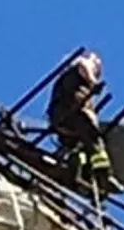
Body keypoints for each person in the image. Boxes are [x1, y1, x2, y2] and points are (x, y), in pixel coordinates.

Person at [47, 50, 119, 197]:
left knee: (79, 149)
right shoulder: (80, 65)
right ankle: (104, 175)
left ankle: (78, 173)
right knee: (94, 142)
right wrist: (94, 83)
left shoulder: (68, 80)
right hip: (74, 113)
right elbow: (84, 66)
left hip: (61, 119)